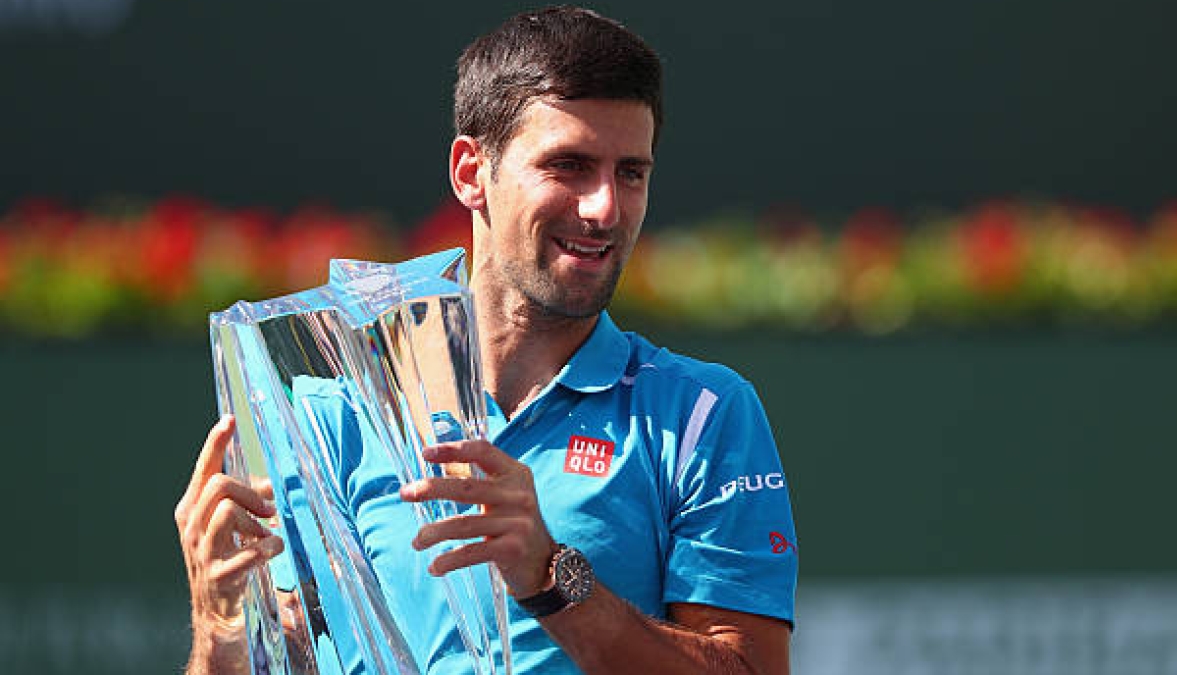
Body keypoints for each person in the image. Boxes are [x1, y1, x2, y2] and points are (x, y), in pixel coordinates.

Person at [175, 6, 798, 674]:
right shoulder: (334, 418)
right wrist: (220, 632)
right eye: (569, 165)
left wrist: (552, 574)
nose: (605, 209)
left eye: (631, 173)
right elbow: (284, 657)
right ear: (472, 172)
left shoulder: (702, 411)